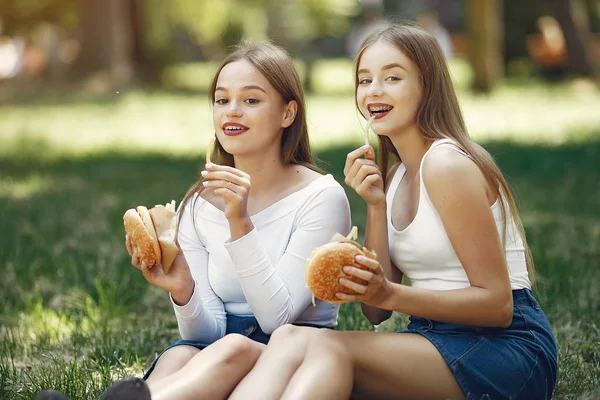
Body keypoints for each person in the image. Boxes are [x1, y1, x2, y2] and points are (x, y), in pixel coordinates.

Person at [228, 22, 558, 400]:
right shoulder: (398, 176)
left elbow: (498, 306)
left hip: (506, 347)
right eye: (364, 80)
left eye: (392, 77)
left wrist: (389, 293)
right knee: (289, 336)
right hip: (433, 336)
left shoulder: (446, 165)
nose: (374, 91)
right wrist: (375, 205)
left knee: (328, 347)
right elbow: (374, 313)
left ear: (426, 84)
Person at [37, 41, 351, 400]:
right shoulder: (200, 204)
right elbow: (207, 335)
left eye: (251, 100)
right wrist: (183, 289)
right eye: (221, 100)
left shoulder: (321, 198)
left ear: (287, 113)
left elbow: (276, 320)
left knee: (235, 347)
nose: (232, 112)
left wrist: (240, 224)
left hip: (291, 359)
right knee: (182, 354)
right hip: (218, 355)